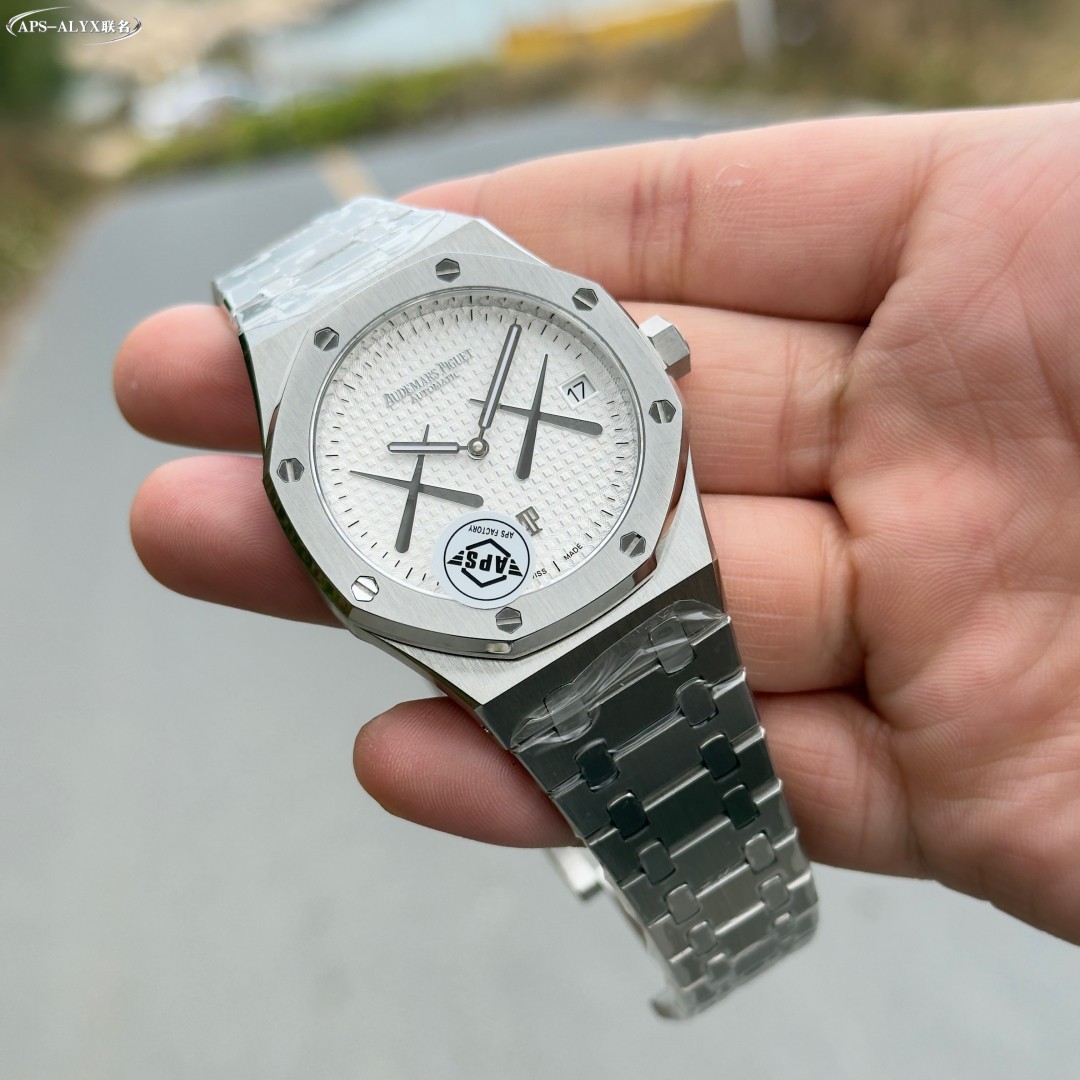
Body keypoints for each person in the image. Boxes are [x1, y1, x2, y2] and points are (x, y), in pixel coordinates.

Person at [113, 103, 1080, 949]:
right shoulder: (314, 435)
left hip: (644, 560)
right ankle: (678, 885)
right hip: (513, 630)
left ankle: (684, 885)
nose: (474, 450)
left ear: (649, 358)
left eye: (482, 437)